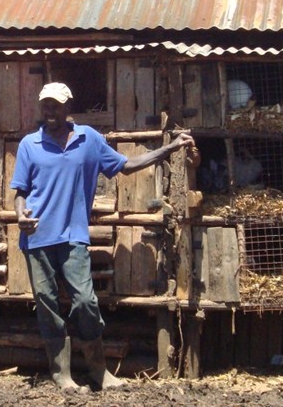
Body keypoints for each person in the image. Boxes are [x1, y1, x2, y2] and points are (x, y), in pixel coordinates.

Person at [10, 82, 195, 391]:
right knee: (47, 304)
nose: (50, 110)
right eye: (45, 105)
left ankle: (98, 371)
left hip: (73, 236)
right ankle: (62, 374)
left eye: (55, 105)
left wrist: (169, 148)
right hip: (37, 237)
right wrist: (20, 215)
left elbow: (127, 165)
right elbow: (20, 191)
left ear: (68, 106)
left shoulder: (89, 139)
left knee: (85, 300)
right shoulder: (30, 144)